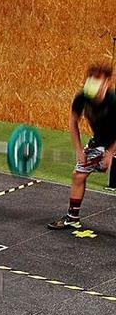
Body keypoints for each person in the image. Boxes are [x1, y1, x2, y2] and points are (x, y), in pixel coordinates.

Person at [48, 61, 116, 230]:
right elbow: (73, 122)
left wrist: (110, 154)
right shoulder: (82, 98)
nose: (93, 82)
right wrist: (79, 150)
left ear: (107, 82)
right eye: (91, 78)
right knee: (78, 175)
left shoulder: (113, 101)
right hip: (99, 141)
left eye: (98, 79)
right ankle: (72, 218)